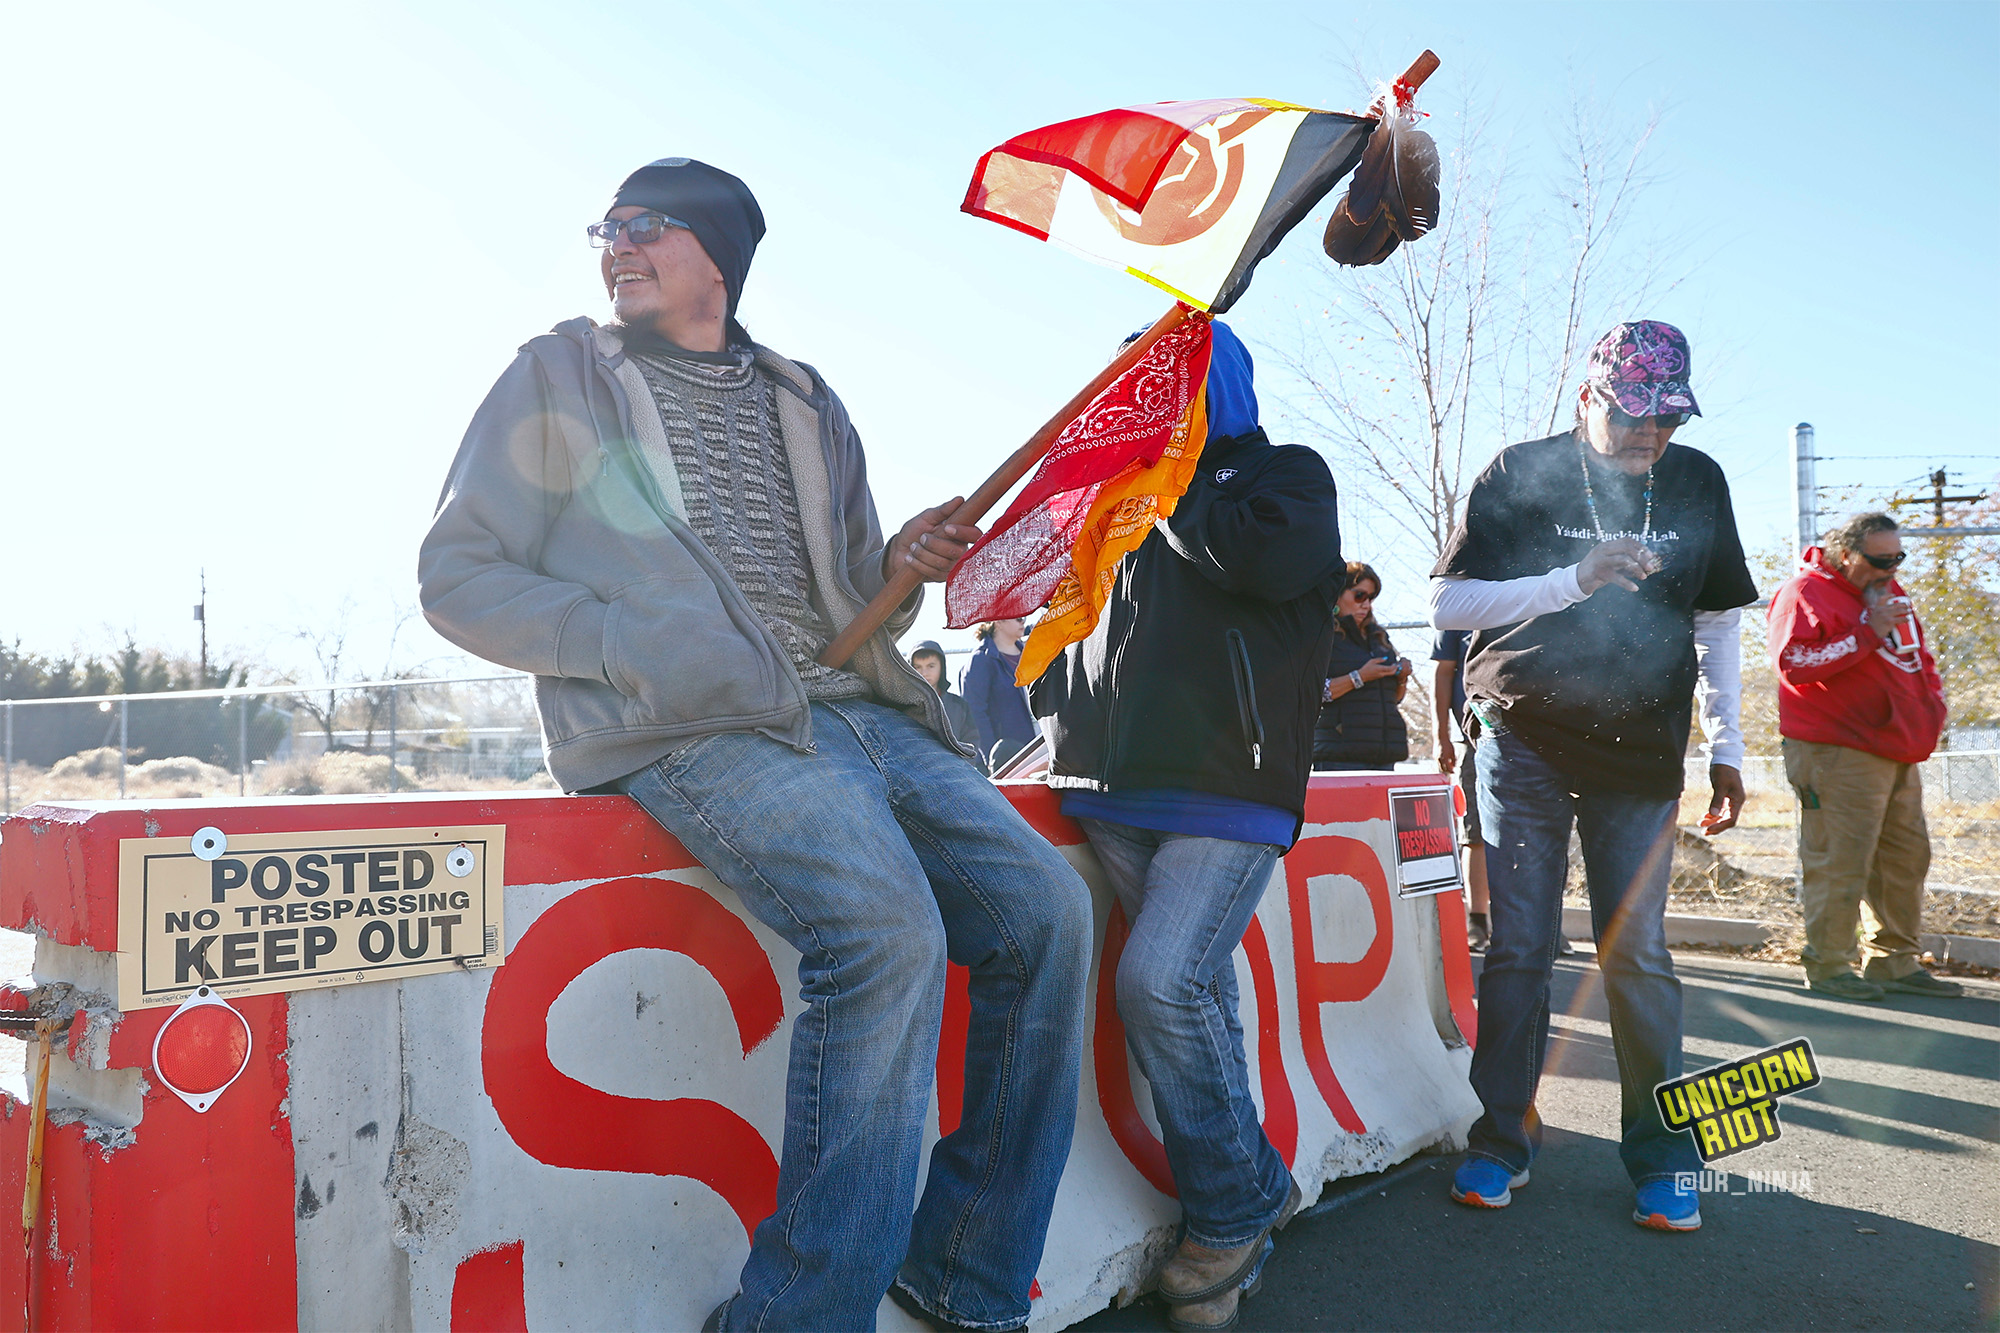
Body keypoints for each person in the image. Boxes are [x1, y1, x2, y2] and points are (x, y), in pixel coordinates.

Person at [417, 158, 1092, 1332]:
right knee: (886, 929)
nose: (615, 246)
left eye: (642, 226)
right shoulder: (557, 375)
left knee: (1050, 913)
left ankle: (966, 1270)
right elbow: (456, 578)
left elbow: (849, 601)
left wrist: (902, 568)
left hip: (858, 706)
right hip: (692, 722)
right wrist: (626, 640)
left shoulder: (806, 397)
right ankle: (801, 1315)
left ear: (716, 255)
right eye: (604, 229)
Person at [1032, 320, 1339, 1332]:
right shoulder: (1107, 493)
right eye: (1133, 382)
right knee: (1197, 989)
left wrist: (1165, 479)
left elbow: (1257, 562)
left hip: (1227, 787)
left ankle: (1230, 1210)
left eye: (1168, 378)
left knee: (1159, 981)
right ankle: (1254, 1186)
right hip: (1106, 788)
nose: (1148, 397)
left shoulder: (1288, 475)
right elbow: (1066, 621)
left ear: (1216, 381)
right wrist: (1052, 722)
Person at [1429, 319, 1758, 1233]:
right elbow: (1448, 602)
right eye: (1634, 413)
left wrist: (1728, 744)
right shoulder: (1519, 470)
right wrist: (1572, 579)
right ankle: (1501, 1137)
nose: (1652, 433)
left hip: (1640, 745)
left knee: (1637, 953)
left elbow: (1718, 622)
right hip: (1523, 732)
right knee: (1521, 946)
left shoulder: (1697, 480)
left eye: (1669, 417)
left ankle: (1663, 1154)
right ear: (1588, 397)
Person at [1769, 513, 1960, 999]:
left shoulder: (1888, 592)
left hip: (1896, 745)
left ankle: (1893, 962)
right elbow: (1792, 663)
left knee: (1904, 858)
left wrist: (1933, 705)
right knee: (1841, 858)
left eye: (1898, 558)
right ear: (1846, 554)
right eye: (1880, 560)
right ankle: (1829, 965)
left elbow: (1918, 658)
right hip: (1837, 749)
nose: (1891, 569)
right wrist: (1866, 632)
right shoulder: (1805, 593)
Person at [1312, 562, 1412, 770]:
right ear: (1337, 594)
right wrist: (1359, 677)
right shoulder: (1322, 636)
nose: (1366, 605)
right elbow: (1311, 693)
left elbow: (1393, 699)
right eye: (1359, 596)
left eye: (1371, 598)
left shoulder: (1379, 637)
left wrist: (1401, 677)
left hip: (1383, 755)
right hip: (1339, 756)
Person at [1430, 628, 1491, 952]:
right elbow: (1442, 673)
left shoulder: (1535, 598)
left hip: (1533, 738)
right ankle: (1477, 919)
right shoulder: (1459, 608)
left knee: (1538, 832)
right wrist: (1441, 736)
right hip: (1475, 738)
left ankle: (1545, 922)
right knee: (1474, 831)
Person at [963, 618, 1038, 772]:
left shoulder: (1031, 653)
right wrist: (994, 759)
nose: (1023, 621)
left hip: (1038, 751)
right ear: (998, 621)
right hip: (1006, 760)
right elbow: (975, 714)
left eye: (1024, 616)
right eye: (1018, 617)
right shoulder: (980, 659)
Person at [908, 639, 976, 749]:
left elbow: (972, 742)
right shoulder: (904, 706)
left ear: (942, 667)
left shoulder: (959, 706)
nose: (924, 673)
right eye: (918, 667)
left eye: (931, 666)